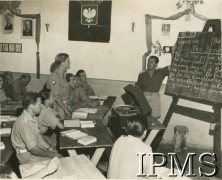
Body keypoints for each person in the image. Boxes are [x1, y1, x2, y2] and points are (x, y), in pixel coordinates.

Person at [11, 92, 62, 164]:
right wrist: (52, 155)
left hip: (33, 152)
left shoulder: (32, 117)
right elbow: (33, 149)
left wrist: (49, 148)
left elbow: (38, 135)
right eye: (39, 104)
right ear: (31, 106)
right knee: (58, 163)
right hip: (27, 156)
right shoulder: (25, 124)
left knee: (59, 158)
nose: (42, 106)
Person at [107, 114, 153, 179]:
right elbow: (150, 176)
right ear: (145, 132)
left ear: (127, 129)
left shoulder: (119, 140)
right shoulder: (147, 149)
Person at [47, 53, 71, 119]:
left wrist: (67, 105)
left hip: (64, 106)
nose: (70, 62)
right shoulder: (54, 77)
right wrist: (65, 110)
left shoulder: (63, 75)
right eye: (68, 60)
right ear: (63, 63)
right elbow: (56, 96)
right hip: (57, 107)